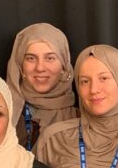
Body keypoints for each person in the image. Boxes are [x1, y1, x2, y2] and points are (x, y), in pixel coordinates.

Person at [6, 23, 78, 151]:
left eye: (50, 58)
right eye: (31, 58)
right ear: (20, 66)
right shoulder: (2, 113)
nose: (40, 68)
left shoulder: (82, 118)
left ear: (64, 66)